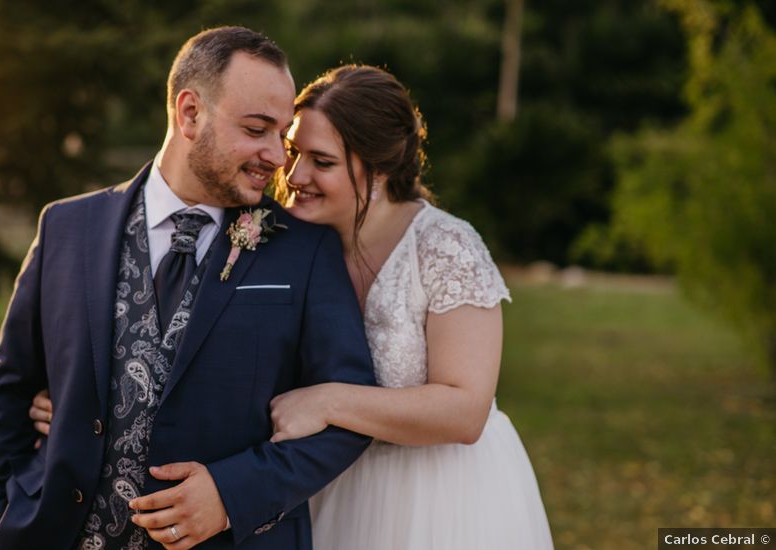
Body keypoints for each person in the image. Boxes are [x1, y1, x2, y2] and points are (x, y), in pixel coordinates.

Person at [32, 64, 554, 549]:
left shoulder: (446, 247)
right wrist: (97, 405)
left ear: (379, 168)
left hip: (434, 494)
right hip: (315, 488)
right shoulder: (280, 237)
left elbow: (466, 411)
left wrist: (328, 401)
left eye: (321, 161)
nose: (294, 173)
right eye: (293, 149)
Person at [0, 27, 377, 550]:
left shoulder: (305, 250)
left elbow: (347, 421)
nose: (278, 158)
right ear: (190, 113)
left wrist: (231, 495)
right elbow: (10, 389)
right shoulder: (66, 227)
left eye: (281, 135)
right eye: (258, 129)